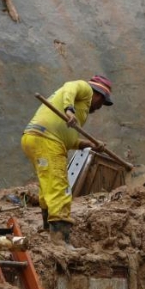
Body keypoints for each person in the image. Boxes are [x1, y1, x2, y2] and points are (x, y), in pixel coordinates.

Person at [21, 75, 113, 244]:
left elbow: (69, 141)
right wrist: (69, 109)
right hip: (47, 140)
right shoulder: (84, 89)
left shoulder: (78, 109)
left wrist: (91, 144)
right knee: (60, 187)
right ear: (98, 95)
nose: (100, 107)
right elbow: (71, 86)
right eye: (102, 103)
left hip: (34, 138)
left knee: (48, 185)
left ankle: (48, 229)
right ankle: (60, 238)